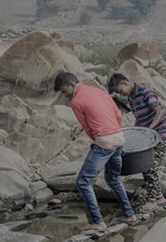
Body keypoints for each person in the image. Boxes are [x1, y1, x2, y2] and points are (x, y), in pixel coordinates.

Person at [54, 72, 136, 232]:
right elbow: (118, 114)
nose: (65, 95)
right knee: (113, 179)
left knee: (83, 181)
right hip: (119, 138)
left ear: (71, 84)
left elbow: (87, 127)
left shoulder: (76, 101)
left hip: (105, 141)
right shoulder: (99, 91)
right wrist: (115, 132)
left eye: (65, 91)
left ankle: (98, 222)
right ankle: (129, 214)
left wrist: (100, 139)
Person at [108, 73, 166, 213]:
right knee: (144, 165)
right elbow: (139, 119)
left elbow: (159, 112)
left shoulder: (145, 92)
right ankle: (160, 198)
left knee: (151, 166)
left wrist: (148, 131)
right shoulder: (131, 98)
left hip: (161, 134)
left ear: (125, 83)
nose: (121, 95)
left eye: (120, 91)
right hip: (147, 138)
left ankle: (151, 201)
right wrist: (136, 133)